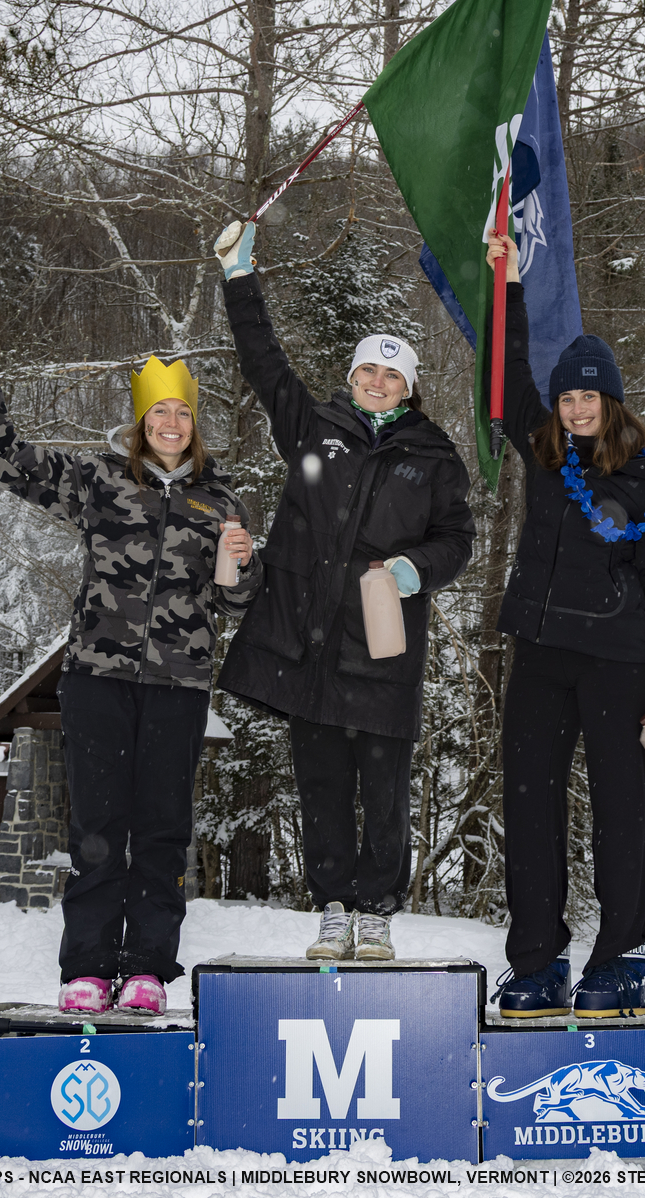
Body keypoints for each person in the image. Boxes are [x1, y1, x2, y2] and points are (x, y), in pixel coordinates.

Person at [0, 319, 259, 1014]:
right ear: (141, 422)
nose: (172, 423)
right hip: (97, 678)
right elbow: (8, 462)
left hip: (180, 685)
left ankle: (148, 968)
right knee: (96, 830)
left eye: (182, 413)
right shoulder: (98, 481)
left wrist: (242, 567)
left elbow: (238, 599)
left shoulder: (221, 500)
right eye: (160, 413)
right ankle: (87, 969)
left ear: (195, 424)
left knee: (162, 831)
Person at [211, 220, 475, 961]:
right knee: (321, 784)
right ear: (353, 377)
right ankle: (331, 907)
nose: (377, 383)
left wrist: (412, 568)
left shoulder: (433, 456)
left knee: (384, 791)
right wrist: (239, 278)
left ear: (410, 387)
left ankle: (377, 913)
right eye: (367, 372)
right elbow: (264, 364)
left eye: (392, 375)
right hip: (312, 642)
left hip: (384, 647)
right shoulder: (314, 428)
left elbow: (458, 539)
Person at [481, 232, 645, 1020]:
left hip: (618, 662)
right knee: (531, 809)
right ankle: (537, 960)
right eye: (566, 397)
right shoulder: (544, 450)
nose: (574, 409)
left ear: (612, 401)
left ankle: (622, 957)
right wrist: (505, 281)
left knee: (621, 811)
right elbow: (505, 376)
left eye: (588, 399)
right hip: (539, 656)